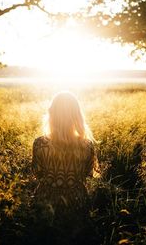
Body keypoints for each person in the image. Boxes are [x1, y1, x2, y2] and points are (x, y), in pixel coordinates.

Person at [31, 91, 100, 244]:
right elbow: (88, 174)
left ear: (52, 114)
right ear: (76, 115)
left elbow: (37, 174)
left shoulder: (39, 144)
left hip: (46, 202)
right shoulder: (87, 145)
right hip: (77, 202)